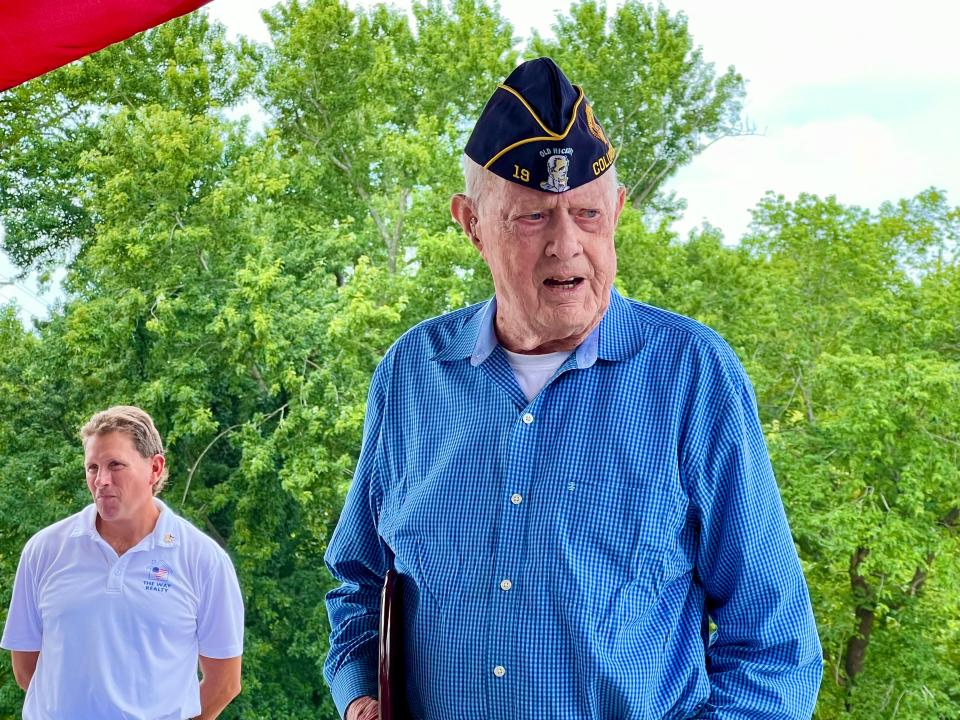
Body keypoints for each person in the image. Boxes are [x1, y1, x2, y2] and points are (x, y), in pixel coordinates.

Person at [323, 57, 822, 720]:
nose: (567, 246)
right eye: (532, 218)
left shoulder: (693, 376)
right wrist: (361, 692)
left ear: (615, 211)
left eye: (586, 214)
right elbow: (358, 583)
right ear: (471, 223)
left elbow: (775, 652)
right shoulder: (412, 375)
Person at [1, 405, 244, 720]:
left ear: (155, 468)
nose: (101, 480)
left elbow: (224, 683)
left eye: (115, 464)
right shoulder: (45, 550)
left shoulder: (203, 560)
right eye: (92, 468)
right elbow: (25, 668)